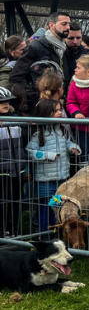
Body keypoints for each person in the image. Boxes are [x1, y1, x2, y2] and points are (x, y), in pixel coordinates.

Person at [27, 99, 80, 233]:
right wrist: (48, 155)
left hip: (61, 179)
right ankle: (44, 234)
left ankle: (56, 233)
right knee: (45, 208)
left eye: (60, 110)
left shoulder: (61, 130)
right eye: (55, 110)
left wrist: (73, 147)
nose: (59, 113)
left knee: (57, 207)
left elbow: (67, 142)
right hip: (45, 181)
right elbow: (30, 151)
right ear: (46, 113)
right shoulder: (38, 133)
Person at [9, 11, 72, 113]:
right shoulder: (36, 47)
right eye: (64, 24)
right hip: (39, 107)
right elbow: (16, 76)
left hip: (58, 105)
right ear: (51, 25)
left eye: (69, 24)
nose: (68, 27)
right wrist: (35, 100)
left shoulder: (65, 49)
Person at [66, 54, 89, 167]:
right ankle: (83, 171)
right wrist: (76, 112)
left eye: (79, 67)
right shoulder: (74, 85)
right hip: (81, 125)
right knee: (83, 150)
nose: (75, 69)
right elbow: (70, 102)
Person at [0, 86, 25, 236]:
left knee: (16, 202)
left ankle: (14, 231)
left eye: (8, 101)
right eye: (1, 101)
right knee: (2, 204)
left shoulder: (15, 120)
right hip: (2, 172)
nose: (6, 104)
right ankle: (2, 233)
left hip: (17, 171)